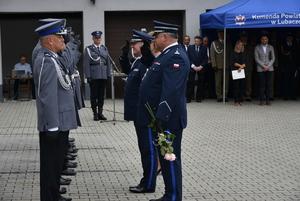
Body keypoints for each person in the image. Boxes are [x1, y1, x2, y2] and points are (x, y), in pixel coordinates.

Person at [137, 20, 189, 201]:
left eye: (156, 37)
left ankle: (173, 196)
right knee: (166, 158)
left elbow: (171, 90)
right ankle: (169, 194)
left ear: (165, 36)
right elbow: (158, 74)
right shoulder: (167, 54)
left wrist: (161, 116)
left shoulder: (175, 56)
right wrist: (147, 57)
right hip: (162, 118)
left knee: (170, 158)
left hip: (168, 119)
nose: (154, 40)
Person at [33, 19, 80, 201]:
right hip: (55, 125)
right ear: (50, 40)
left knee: (55, 166)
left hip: (60, 122)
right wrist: (52, 127)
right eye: (60, 37)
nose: (64, 40)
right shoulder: (46, 60)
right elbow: (48, 96)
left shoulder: (54, 59)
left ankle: (53, 196)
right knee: (50, 169)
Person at [118, 29, 157, 194]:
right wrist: (124, 57)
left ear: (144, 45)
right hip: (138, 112)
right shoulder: (139, 61)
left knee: (148, 149)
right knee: (145, 149)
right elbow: (129, 71)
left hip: (145, 112)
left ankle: (148, 183)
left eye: (134, 43)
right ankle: (146, 180)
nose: (132, 46)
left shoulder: (148, 62)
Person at [83, 30, 111, 121]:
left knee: (101, 95)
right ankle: (95, 113)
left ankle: (100, 113)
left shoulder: (104, 49)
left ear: (101, 38)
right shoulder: (89, 49)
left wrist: (108, 74)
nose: (98, 39)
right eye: (96, 38)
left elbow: (108, 62)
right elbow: (86, 63)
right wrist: (88, 76)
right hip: (94, 75)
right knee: (94, 95)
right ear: (93, 39)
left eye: (99, 38)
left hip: (103, 74)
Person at [210, 29, 232, 102]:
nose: (221, 35)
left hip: (226, 66)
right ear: (218, 35)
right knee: (218, 82)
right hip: (218, 66)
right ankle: (219, 96)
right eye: (220, 34)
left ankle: (225, 96)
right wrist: (214, 65)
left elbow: (230, 55)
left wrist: (230, 65)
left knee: (226, 82)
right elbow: (212, 55)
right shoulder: (214, 43)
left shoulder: (228, 43)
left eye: (223, 33)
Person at [254, 31, 275, 106]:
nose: (264, 40)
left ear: (267, 40)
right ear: (260, 40)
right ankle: (262, 99)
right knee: (261, 84)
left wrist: (268, 66)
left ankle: (268, 99)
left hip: (269, 68)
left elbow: (273, 58)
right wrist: (263, 66)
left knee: (268, 84)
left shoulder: (271, 47)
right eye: (263, 39)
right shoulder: (257, 47)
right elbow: (256, 58)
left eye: (265, 39)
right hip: (261, 68)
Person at [186, 36, 208, 103]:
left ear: (200, 42)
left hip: (200, 67)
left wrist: (201, 66)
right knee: (190, 82)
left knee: (201, 83)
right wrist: (193, 66)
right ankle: (188, 97)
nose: (196, 42)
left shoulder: (204, 48)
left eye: (198, 41)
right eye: (195, 41)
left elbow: (205, 58)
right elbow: (188, 57)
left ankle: (199, 97)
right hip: (192, 67)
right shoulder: (190, 48)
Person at [280, 32, 300, 100]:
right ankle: (286, 95)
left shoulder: (296, 45)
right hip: (286, 66)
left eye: (291, 37)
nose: (289, 38)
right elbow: (282, 57)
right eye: (288, 37)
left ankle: (292, 95)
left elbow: (297, 56)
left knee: (293, 81)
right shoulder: (283, 45)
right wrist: (282, 66)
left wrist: (297, 66)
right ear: (286, 38)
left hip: (294, 66)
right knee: (286, 81)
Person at [230, 40, 248, 106]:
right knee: (236, 87)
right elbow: (232, 61)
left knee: (242, 87)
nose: (240, 46)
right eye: (239, 45)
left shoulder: (244, 53)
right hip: (235, 71)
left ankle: (241, 100)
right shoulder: (233, 52)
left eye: (241, 45)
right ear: (236, 45)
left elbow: (246, 61)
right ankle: (236, 101)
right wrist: (240, 66)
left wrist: (242, 67)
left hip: (243, 71)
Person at [239, 31, 254, 102]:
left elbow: (253, 57)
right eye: (243, 37)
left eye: (245, 37)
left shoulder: (250, 46)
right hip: (239, 67)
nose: (244, 38)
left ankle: (248, 95)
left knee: (248, 82)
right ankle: (241, 96)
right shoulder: (238, 46)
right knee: (240, 82)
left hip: (248, 67)